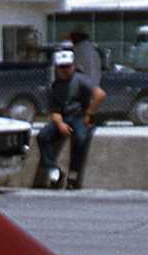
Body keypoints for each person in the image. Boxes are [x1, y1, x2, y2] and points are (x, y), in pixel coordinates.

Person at [34, 49, 105, 189]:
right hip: (64, 118)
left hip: (79, 117)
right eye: (61, 67)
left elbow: (100, 94)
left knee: (80, 138)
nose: (65, 70)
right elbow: (54, 111)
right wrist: (60, 124)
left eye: (67, 66)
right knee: (43, 136)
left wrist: (89, 114)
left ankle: (73, 174)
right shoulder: (56, 85)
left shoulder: (81, 80)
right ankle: (53, 170)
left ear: (73, 65)